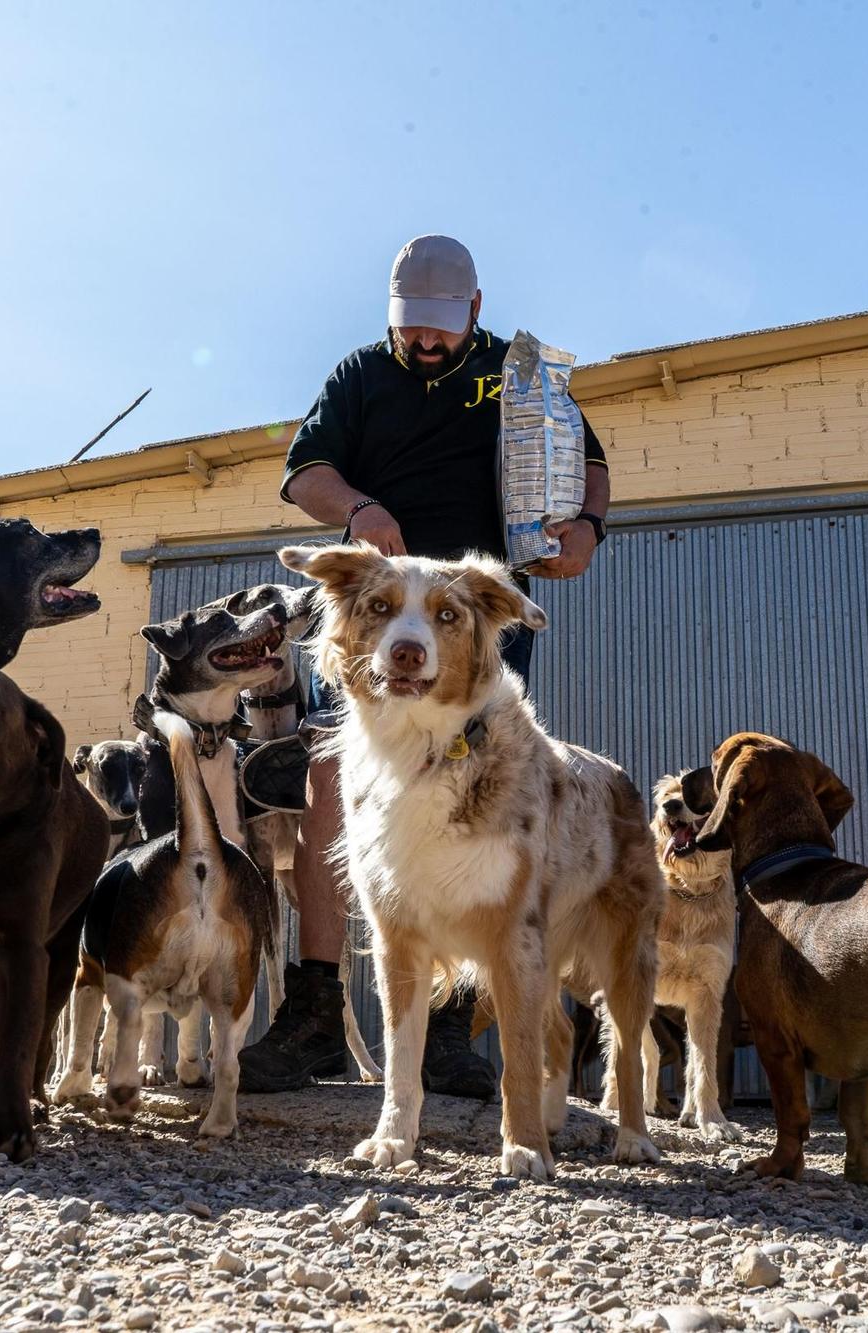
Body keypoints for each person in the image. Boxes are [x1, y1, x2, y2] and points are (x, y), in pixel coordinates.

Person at [240, 234, 612, 1096]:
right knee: (333, 782)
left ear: (474, 310)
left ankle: (449, 1031)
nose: (427, 341)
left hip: (474, 619)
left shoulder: (516, 377)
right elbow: (306, 472)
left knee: (483, 803)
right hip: (379, 614)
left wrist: (589, 528)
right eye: (413, 325)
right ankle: (313, 1010)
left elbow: (590, 464)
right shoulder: (361, 375)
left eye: (443, 326)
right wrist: (359, 506)